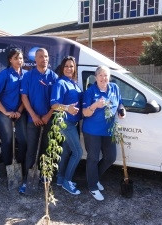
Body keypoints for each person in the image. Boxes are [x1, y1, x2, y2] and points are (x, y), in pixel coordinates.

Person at [82, 65, 126, 201]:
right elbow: (85, 113)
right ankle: (92, 186)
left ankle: (94, 178)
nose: (103, 78)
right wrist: (95, 105)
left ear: (109, 77)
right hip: (92, 131)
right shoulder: (90, 91)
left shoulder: (114, 88)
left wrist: (121, 110)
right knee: (93, 158)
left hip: (109, 130)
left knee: (110, 157)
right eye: (100, 75)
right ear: (96, 77)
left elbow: (120, 103)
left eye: (106, 75)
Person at [19, 48, 58, 194]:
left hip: (48, 120)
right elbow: (24, 98)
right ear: (35, 59)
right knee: (31, 151)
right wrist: (34, 116)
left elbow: (57, 100)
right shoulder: (28, 76)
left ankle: (42, 175)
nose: (44, 59)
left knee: (45, 150)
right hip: (32, 120)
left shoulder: (54, 77)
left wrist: (49, 114)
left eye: (46, 56)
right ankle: (27, 180)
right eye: (41, 56)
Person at [0, 48, 27, 173]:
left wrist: (19, 111)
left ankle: (19, 167)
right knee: (8, 140)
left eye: (20, 58)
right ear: (10, 60)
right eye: (16, 58)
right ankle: (9, 169)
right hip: (2, 113)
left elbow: (25, 97)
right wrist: (5, 112)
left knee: (23, 140)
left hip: (18, 112)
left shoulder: (25, 75)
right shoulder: (5, 74)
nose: (19, 60)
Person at [50, 56, 83, 195]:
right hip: (65, 122)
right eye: (66, 66)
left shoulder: (73, 82)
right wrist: (67, 108)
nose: (69, 68)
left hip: (73, 122)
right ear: (62, 68)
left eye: (71, 66)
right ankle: (67, 182)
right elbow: (54, 104)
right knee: (78, 152)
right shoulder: (60, 83)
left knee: (66, 152)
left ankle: (60, 178)